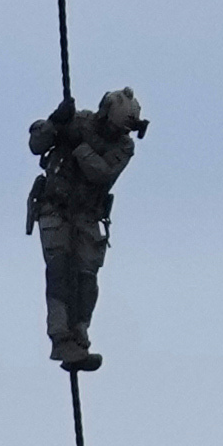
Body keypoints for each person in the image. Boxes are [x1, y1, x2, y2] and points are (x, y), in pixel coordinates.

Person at [26, 88, 148, 373]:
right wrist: (55, 123)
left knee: (86, 280)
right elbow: (36, 144)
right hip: (55, 209)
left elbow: (102, 174)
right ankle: (60, 338)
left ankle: (79, 335)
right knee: (60, 272)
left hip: (87, 216)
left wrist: (79, 145)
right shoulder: (77, 122)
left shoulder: (123, 146)